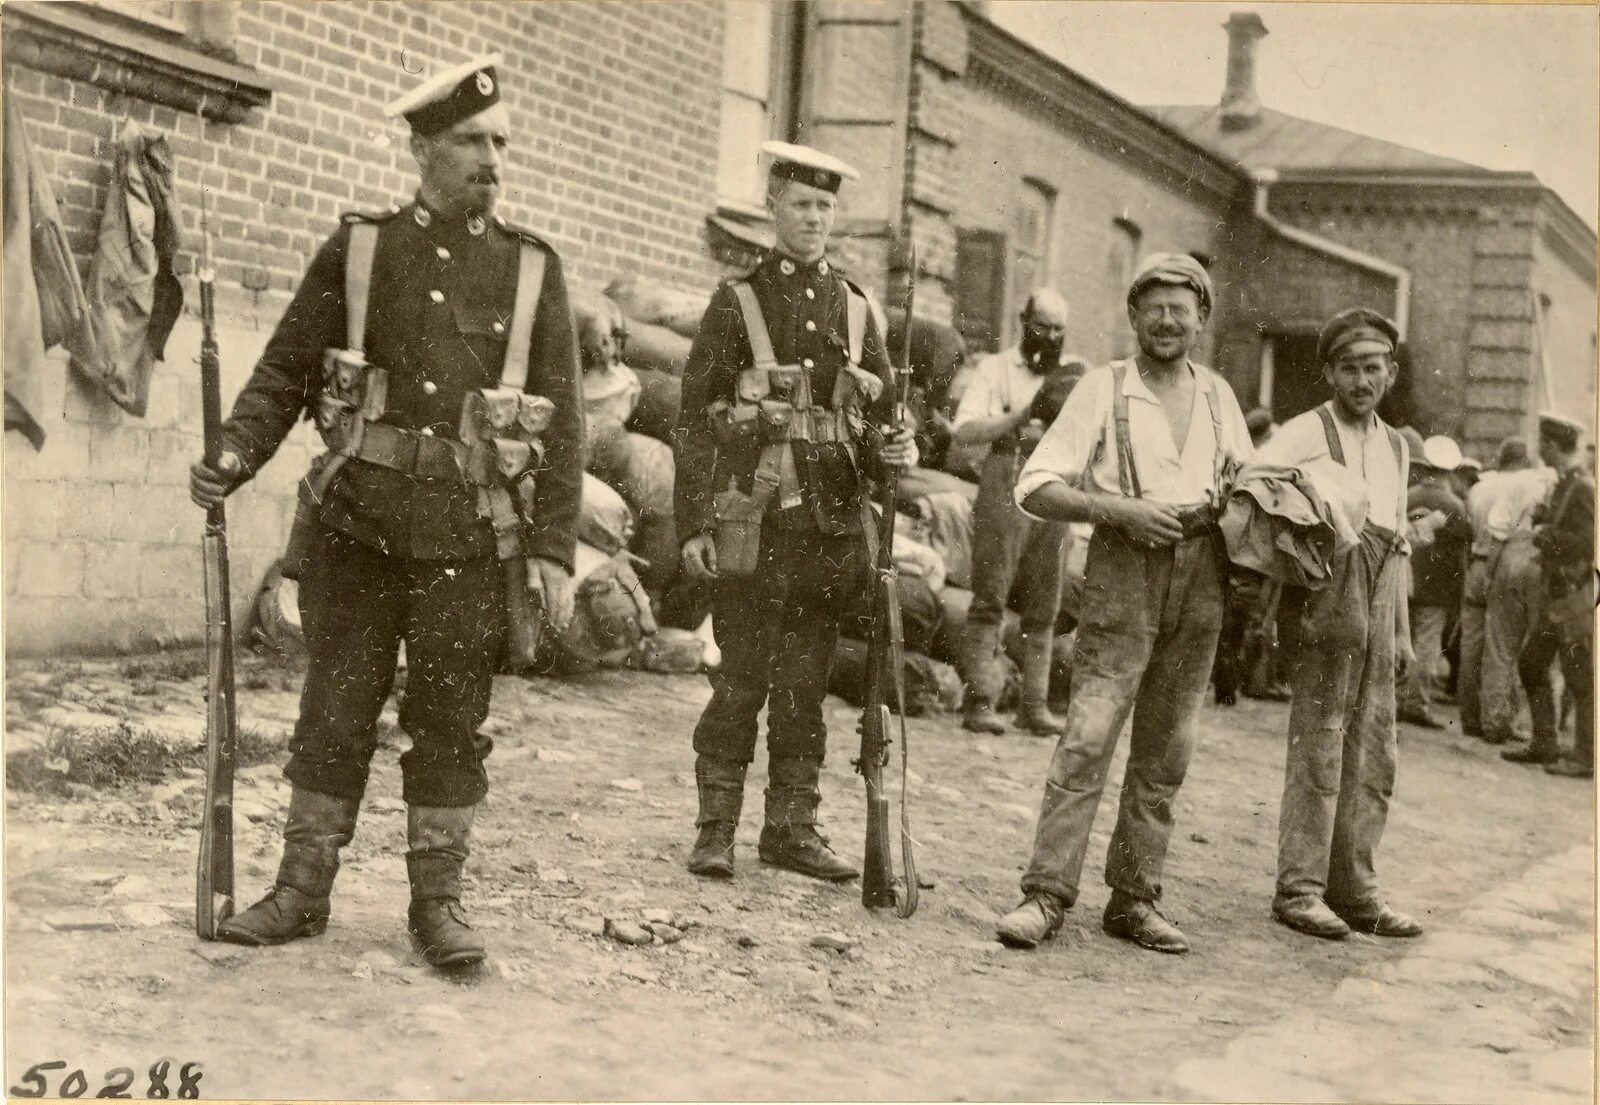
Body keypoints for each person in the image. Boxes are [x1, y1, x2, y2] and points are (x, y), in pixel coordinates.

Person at [188, 54, 582, 967]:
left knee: (450, 718)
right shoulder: (362, 250)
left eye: (499, 142)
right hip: (357, 527)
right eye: (471, 141)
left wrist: (554, 548)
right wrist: (235, 453)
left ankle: (437, 903)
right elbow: (287, 365)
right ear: (422, 150)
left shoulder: (530, 271)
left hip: (471, 537)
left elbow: (565, 416)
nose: (492, 157)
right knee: (334, 707)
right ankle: (300, 890)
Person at [992, 253, 1252, 954]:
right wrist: (1117, 511)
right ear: (1133, 316)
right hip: (1122, 567)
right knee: (1087, 737)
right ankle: (1045, 893)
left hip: (1201, 576)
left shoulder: (1221, 397)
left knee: (1168, 746)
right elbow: (1034, 485)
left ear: (1202, 318)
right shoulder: (1100, 388)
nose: (1168, 321)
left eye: (1182, 308)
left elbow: (1249, 487)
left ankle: (1135, 898)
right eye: (1154, 308)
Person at [673, 142, 917, 882]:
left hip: (828, 530)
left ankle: (792, 828)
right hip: (754, 526)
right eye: (802, 204)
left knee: (805, 686)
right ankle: (716, 828)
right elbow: (691, 421)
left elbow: (877, 418)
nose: (814, 218)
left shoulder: (855, 308)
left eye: (826, 206)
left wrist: (897, 445)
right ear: (773, 207)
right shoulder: (736, 301)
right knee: (740, 678)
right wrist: (691, 527)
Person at [1258, 308, 1423, 942]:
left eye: (1372, 368)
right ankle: (1299, 889)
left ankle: (1356, 889)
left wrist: (1402, 629)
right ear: (1329, 371)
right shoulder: (1305, 430)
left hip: (1381, 600)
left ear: (1391, 373)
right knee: (1320, 744)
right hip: (1328, 596)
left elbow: (1400, 541)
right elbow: (1252, 489)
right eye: (1349, 368)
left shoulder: (1396, 446)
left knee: (1375, 750)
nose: (1361, 381)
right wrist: (1299, 552)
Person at [953, 289, 1076, 736]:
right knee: (991, 596)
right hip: (1006, 473)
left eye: (1059, 329)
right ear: (1023, 321)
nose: (1050, 336)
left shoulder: (1072, 372)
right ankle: (980, 702)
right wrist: (1024, 414)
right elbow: (964, 431)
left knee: (1046, 604)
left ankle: (1034, 707)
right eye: (1042, 326)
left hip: (1054, 481)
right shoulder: (996, 368)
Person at [1504, 413, 1594, 776]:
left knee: (1579, 676)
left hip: (1573, 598)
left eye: (1543, 443)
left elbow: (1589, 544)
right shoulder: (1566, 484)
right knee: (1532, 663)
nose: (1539, 449)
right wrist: (1547, 520)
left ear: (1554, 446)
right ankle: (1546, 743)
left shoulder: (1583, 488)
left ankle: (1586, 757)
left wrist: (1547, 536)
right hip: (1557, 595)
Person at [1457, 438, 1535, 738]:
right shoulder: (1525, 486)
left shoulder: (1479, 488)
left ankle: (1469, 716)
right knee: (1503, 645)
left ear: (1501, 457)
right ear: (1524, 459)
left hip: (1476, 563)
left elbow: (1468, 528)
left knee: (1472, 641)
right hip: (1503, 564)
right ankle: (1497, 717)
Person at [1396, 435, 1471, 729]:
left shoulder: (1409, 495)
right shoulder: (1455, 505)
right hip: (1437, 585)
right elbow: (1460, 554)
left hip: (1405, 577)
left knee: (1402, 637)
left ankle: (1395, 697)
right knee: (1427, 644)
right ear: (1450, 470)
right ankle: (1415, 702)